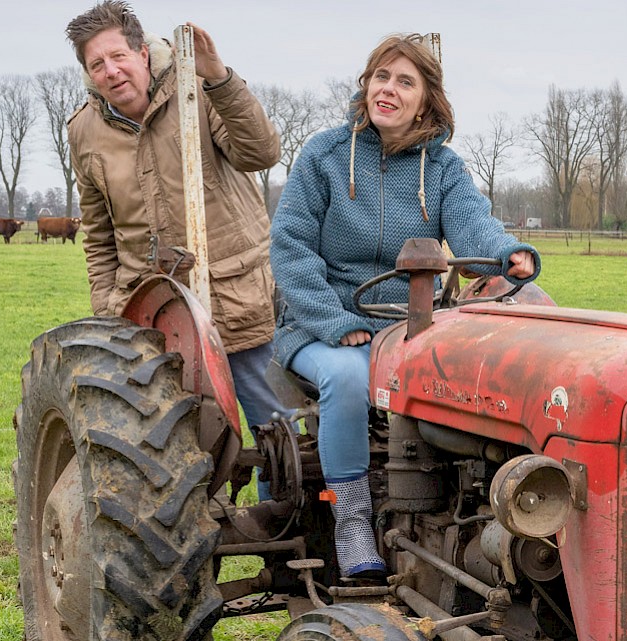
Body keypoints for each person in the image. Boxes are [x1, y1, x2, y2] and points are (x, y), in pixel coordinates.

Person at [270, 33, 540, 580]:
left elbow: (472, 225)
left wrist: (505, 254)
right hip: (320, 324)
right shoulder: (324, 155)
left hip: (411, 324)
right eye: (380, 77)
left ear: (426, 100)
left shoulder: (440, 168)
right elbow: (290, 247)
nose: (387, 90)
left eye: (404, 82)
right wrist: (335, 321)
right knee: (347, 377)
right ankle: (351, 521)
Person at [65, 0, 287, 495]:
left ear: (143, 53)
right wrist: (107, 303)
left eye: (118, 56)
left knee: (279, 436)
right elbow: (99, 234)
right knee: (162, 454)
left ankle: (287, 540)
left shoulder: (197, 91)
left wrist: (219, 78)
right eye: (96, 64)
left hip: (234, 299)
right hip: (151, 314)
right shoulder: (84, 131)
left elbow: (261, 152)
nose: (111, 71)